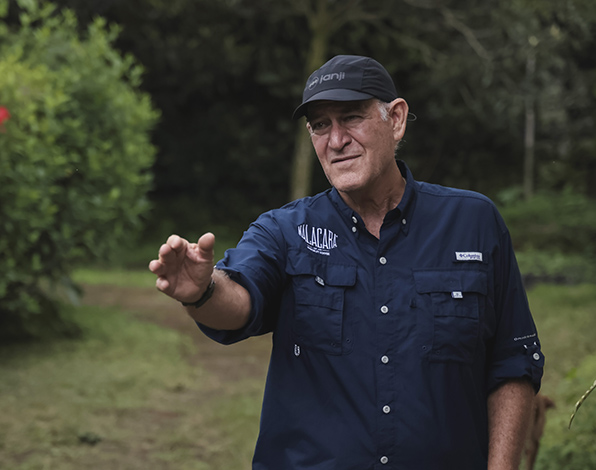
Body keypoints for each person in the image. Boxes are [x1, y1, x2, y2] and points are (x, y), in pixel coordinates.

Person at [149, 55, 543, 469]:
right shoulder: (285, 230)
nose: (336, 140)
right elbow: (241, 299)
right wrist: (203, 291)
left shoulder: (473, 223)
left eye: (351, 117)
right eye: (321, 125)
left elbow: (513, 362)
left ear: (396, 119)